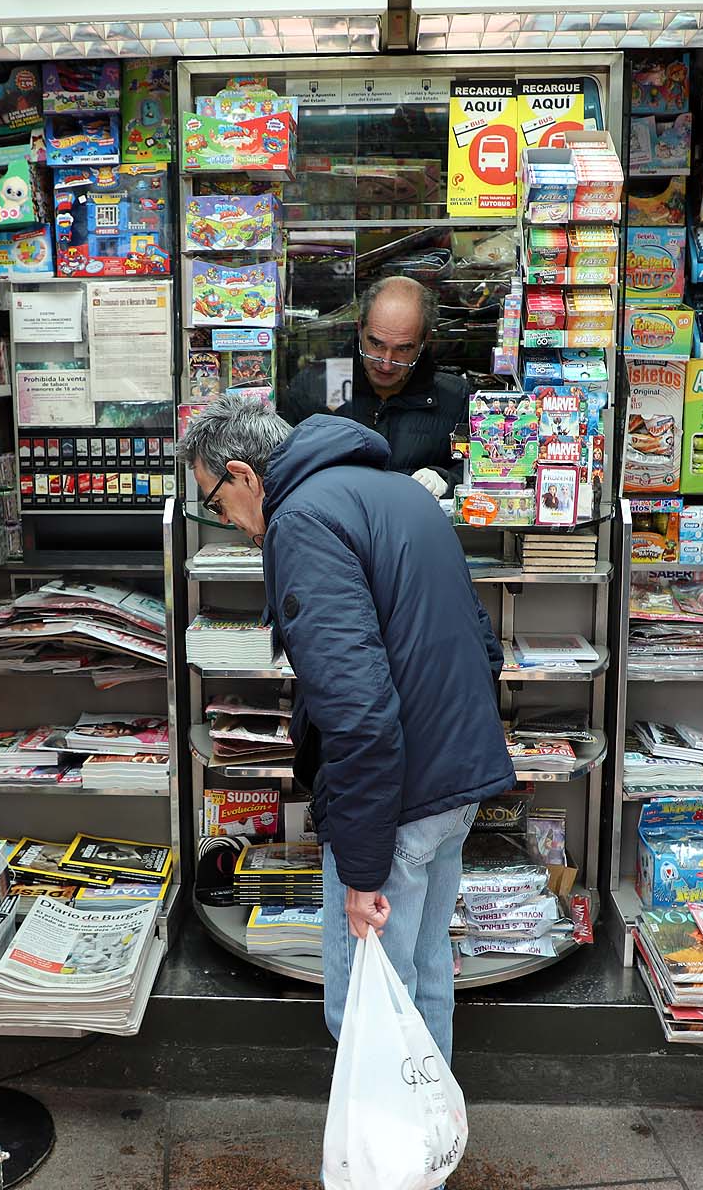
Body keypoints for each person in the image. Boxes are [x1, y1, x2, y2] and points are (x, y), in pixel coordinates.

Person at [176, 395, 513, 1074]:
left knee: (368, 1006)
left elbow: (357, 712)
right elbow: (485, 645)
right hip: (455, 780)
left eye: (216, 504)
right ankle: (427, 1160)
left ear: (243, 475)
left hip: (400, 800)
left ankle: (391, 1168)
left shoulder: (299, 521)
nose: (227, 522)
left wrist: (361, 873)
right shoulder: (397, 492)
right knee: (422, 983)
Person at [280, 275, 467, 498]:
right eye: (376, 344)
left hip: (413, 527)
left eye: (403, 349)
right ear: (360, 328)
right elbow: (282, 467)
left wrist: (446, 479)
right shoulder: (314, 386)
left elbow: (478, 473)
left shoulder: (455, 398)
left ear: (425, 341)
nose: (386, 363)